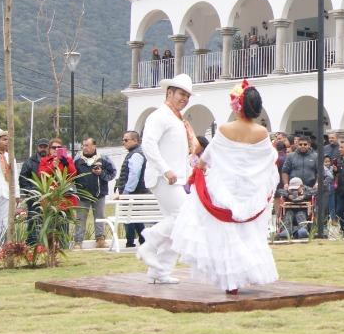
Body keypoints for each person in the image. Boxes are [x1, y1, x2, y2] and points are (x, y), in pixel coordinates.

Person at [170, 81, 278, 294]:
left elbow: (207, 158)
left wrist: (197, 168)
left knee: (226, 233)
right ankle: (248, 272)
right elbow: (271, 158)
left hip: (225, 188)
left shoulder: (225, 129)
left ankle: (231, 280)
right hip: (250, 191)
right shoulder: (262, 133)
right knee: (248, 233)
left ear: (238, 106)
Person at [137, 73, 200, 284]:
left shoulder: (177, 119)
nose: (184, 98)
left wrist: (189, 173)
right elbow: (148, 145)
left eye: (187, 95)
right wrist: (165, 169)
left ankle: (160, 271)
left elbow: (180, 151)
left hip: (176, 178)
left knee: (178, 225)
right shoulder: (159, 116)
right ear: (169, 92)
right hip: (163, 178)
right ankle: (149, 244)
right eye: (181, 94)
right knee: (183, 217)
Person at [73, 137, 115, 249]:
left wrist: (101, 173)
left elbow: (113, 173)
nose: (84, 148)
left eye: (87, 145)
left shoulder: (103, 159)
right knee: (80, 219)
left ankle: (100, 240)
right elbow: (71, 175)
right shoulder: (77, 160)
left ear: (94, 146)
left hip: (99, 194)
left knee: (100, 217)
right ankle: (78, 241)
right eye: (83, 145)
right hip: (82, 195)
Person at [115, 130, 148, 248]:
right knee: (135, 216)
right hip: (137, 192)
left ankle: (130, 242)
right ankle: (143, 240)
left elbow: (134, 174)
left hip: (133, 193)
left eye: (126, 140)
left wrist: (126, 192)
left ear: (135, 140)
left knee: (128, 216)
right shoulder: (137, 152)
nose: (123, 142)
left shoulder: (136, 154)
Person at [19, 138, 50, 245]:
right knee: (33, 219)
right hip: (34, 198)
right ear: (37, 147)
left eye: (45, 147)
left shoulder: (52, 161)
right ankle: (32, 243)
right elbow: (23, 180)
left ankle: (48, 243)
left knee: (49, 220)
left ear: (48, 148)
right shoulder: (29, 163)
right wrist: (32, 191)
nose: (43, 149)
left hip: (50, 196)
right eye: (41, 147)